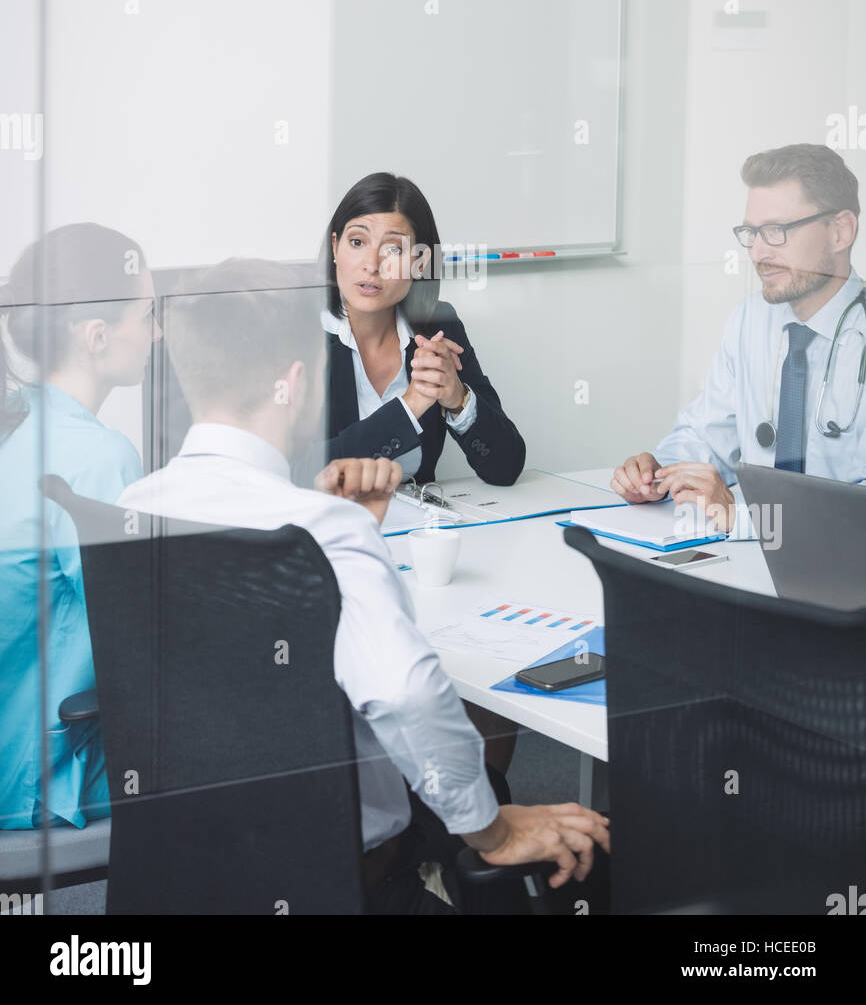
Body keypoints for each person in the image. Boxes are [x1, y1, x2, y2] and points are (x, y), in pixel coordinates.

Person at [118, 259, 609, 913]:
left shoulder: (135, 507)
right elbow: (406, 693)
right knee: (574, 849)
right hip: (339, 878)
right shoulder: (323, 530)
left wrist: (350, 543)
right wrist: (491, 830)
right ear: (297, 382)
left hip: (189, 865)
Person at [612, 144, 864, 533]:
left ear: (840, 231)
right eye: (751, 233)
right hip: (745, 554)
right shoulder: (750, 320)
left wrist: (746, 518)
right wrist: (657, 474)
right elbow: (708, 437)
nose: (758, 253)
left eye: (777, 231)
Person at [0, 224, 160, 829]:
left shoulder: (20, 423)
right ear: (96, 336)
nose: (158, 333)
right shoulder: (98, 457)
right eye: (147, 316)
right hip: (44, 776)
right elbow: (145, 637)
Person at [321, 172, 525, 487]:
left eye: (393, 249)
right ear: (335, 247)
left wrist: (457, 398)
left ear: (419, 262)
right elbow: (301, 470)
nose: (372, 264)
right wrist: (410, 406)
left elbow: (506, 467)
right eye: (357, 242)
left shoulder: (439, 325)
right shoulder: (300, 333)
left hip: (418, 517)